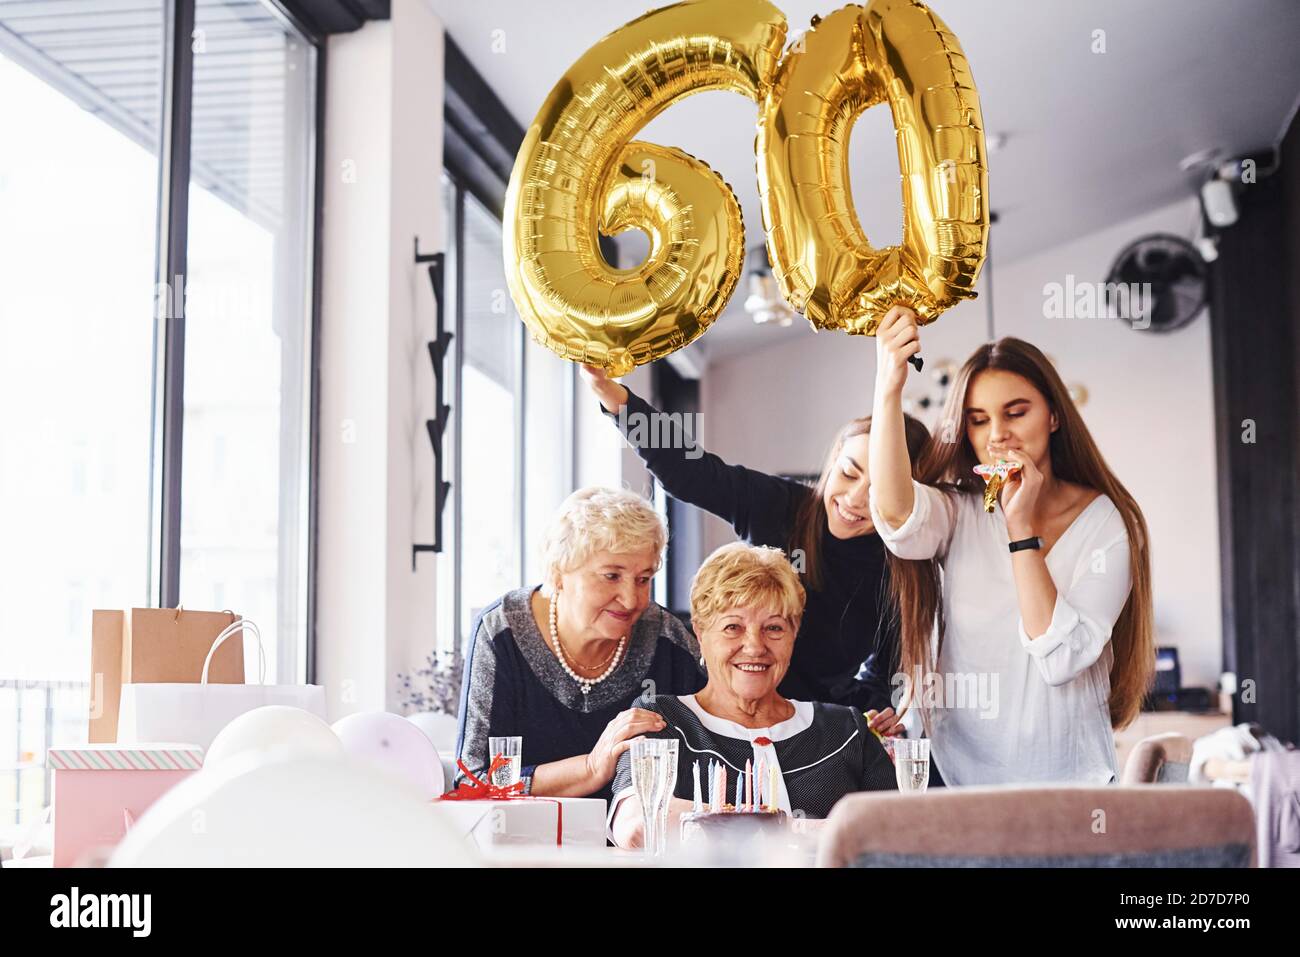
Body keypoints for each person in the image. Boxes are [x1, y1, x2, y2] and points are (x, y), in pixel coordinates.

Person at [867, 306, 1155, 786]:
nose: (997, 434)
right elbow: (897, 516)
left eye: (1016, 412)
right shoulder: (960, 510)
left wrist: (1021, 531)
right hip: (960, 780)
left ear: (1055, 415)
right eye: (978, 420)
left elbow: (1060, 658)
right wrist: (888, 385)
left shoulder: (1107, 523)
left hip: (1071, 785)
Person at [582, 364, 930, 737]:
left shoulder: (901, 568)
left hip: (809, 729)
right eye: (849, 473)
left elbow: (884, 674)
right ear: (833, 461)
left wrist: (879, 711)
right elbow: (694, 473)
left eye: (880, 489)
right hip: (728, 711)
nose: (855, 500)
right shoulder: (783, 506)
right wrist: (617, 400)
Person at [608, 542, 896, 848]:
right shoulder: (661, 720)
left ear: (793, 634)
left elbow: (899, 833)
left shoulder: (847, 729)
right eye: (733, 627)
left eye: (773, 628)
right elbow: (638, 824)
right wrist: (796, 830)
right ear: (701, 633)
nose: (755, 646)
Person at [455, 486, 704, 800]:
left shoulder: (668, 639)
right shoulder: (502, 631)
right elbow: (473, 783)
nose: (631, 600)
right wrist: (591, 768)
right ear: (559, 574)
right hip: (527, 844)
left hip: (631, 844)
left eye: (643, 579)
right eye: (611, 576)